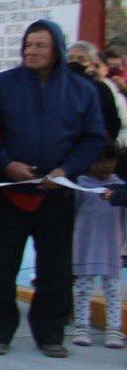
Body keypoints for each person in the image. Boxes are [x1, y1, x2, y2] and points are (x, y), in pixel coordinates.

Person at [0, 19, 107, 358]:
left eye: (40, 46)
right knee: (0, 267)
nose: (32, 52)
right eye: (28, 45)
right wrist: (7, 164)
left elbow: (94, 138)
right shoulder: (1, 85)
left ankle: (50, 334)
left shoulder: (82, 90)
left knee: (54, 268)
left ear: (57, 50)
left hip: (57, 194)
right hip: (10, 192)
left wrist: (66, 170)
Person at [71, 145, 124, 348]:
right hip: (85, 248)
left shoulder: (119, 187)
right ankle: (81, 326)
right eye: (100, 161)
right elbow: (73, 215)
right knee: (83, 288)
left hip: (111, 248)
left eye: (110, 161)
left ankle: (114, 329)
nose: (106, 166)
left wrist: (122, 243)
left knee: (112, 290)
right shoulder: (81, 186)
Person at [67, 41, 122, 144]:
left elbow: (112, 123)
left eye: (81, 59)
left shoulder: (101, 89)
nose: (74, 62)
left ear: (92, 64)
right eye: (70, 58)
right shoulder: (58, 87)